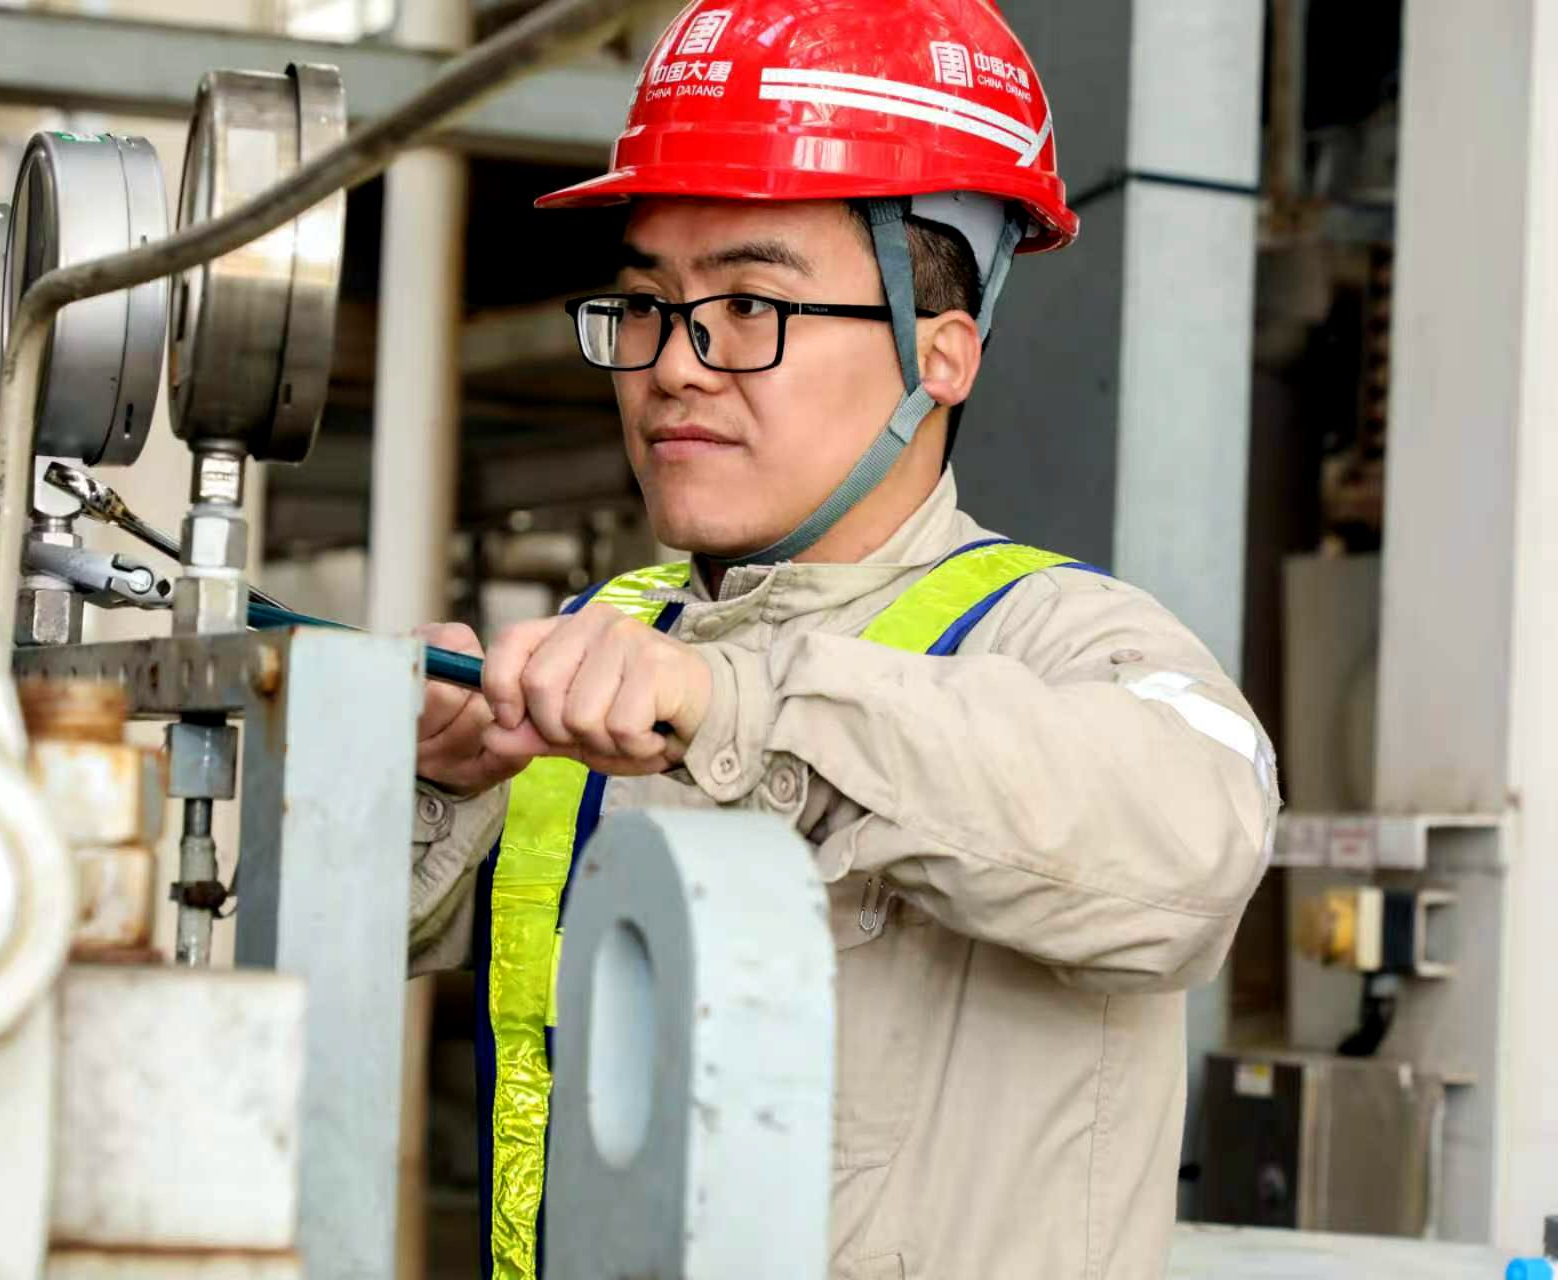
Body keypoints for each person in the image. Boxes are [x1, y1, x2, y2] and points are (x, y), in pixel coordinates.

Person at [407, 3, 1278, 1276]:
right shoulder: (604, 635)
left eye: (751, 303)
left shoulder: (1060, 635)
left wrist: (747, 707)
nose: (675, 365)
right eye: (645, 304)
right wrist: (418, 785)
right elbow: (328, 972)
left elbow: (1197, 851)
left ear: (941, 354)